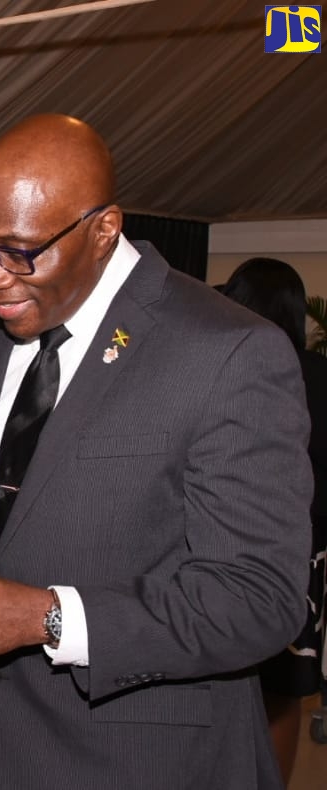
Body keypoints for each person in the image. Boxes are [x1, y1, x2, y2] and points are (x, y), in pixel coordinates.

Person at [0, 113, 312, 790]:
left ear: (104, 229)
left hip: (145, 766)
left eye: (20, 252)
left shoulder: (228, 352)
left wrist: (45, 617)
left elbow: (259, 599)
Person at [223, 256, 327, 786]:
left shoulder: (231, 361)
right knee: (286, 686)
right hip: (306, 552)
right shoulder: (316, 372)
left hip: (237, 546)